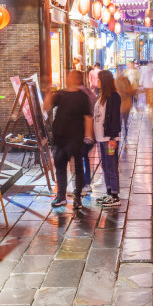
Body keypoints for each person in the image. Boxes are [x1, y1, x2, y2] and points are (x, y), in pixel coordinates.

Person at [43, 71, 93, 209]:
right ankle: (61, 196)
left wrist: (88, 136)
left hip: (76, 137)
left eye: (72, 76)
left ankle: (77, 197)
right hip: (60, 137)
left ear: (77, 80)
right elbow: (46, 107)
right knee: (60, 166)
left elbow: (88, 117)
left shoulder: (82, 96)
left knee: (77, 168)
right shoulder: (61, 94)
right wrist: (48, 93)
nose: (68, 78)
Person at [93, 71, 122, 207]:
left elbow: (115, 119)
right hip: (101, 138)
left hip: (109, 138)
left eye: (99, 80)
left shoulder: (113, 97)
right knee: (105, 166)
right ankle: (109, 192)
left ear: (104, 81)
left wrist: (112, 137)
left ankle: (115, 195)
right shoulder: (102, 96)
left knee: (111, 165)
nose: (97, 82)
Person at [78, 77, 97, 194]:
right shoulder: (91, 93)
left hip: (83, 131)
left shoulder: (80, 94)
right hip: (91, 131)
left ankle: (84, 183)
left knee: (82, 156)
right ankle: (86, 182)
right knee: (85, 156)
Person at [116, 68, 135, 137]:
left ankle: (124, 129)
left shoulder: (125, 80)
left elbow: (131, 90)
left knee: (125, 118)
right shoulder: (117, 81)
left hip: (126, 102)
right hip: (121, 103)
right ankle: (121, 131)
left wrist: (125, 90)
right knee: (121, 118)